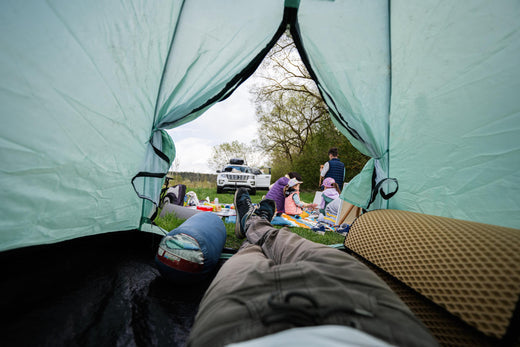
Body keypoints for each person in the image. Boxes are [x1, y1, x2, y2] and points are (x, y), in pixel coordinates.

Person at [186, 188, 438, 347]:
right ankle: (258, 223)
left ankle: (252, 223)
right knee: (284, 240)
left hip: (238, 323)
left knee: (249, 253)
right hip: (371, 312)